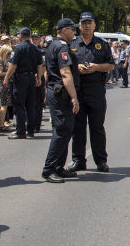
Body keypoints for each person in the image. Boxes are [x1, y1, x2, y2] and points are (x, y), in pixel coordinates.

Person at [68, 12, 114, 172]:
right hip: (78, 90)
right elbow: (64, 65)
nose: (87, 26)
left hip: (96, 90)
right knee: (78, 128)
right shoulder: (72, 44)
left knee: (97, 127)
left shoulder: (102, 44)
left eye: (89, 23)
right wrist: (77, 68)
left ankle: (101, 161)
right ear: (79, 26)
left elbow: (111, 65)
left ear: (94, 25)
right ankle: (78, 160)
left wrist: (96, 67)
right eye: (84, 23)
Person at [41, 18, 81, 183]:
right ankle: (49, 168)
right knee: (62, 130)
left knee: (65, 130)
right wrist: (74, 97)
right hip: (61, 94)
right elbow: (65, 73)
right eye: (72, 29)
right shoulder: (62, 46)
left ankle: (58, 167)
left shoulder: (53, 44)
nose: (74, 32)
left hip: (55, 92)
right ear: (64, 30)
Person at [2, 27, 44, 139]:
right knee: (30, 105)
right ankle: (31, 130)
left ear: (21, 35)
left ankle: (20, 131)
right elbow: (40, 65)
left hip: (20, 78)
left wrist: (6, 78)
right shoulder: (35, 49)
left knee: (19, 104)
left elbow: (13, 65)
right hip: (31, 78)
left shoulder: (18, 48)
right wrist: (39, 78)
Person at [0, 44, 14, 132]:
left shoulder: (5, 60)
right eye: (8, 53)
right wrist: (10, 73)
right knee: (3, 105)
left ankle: (2, 123)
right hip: (2, 84)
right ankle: (1, 125)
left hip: (6, 84)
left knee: (4, 105)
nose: (10, 55)